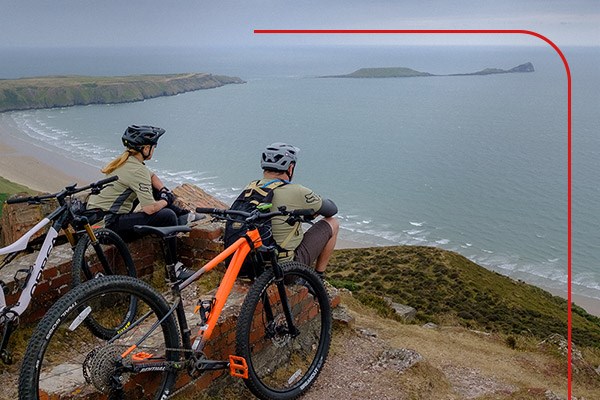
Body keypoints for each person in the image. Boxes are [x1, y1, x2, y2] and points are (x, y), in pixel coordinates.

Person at [87, 124, 200, 280]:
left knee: (158, 193)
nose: (154, 149)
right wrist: (165, 201)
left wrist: (163, 191)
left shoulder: (126, 161)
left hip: (98, 221)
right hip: (107, 228)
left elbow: (152, 177)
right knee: (167, 216)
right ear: (145, 148)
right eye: (153, 146)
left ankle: (184, 216)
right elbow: (149, 209)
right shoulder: (136, 170)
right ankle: (174, 271)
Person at [254, 142, 339, 277]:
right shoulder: (297, 191)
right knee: (333, 223)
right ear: (290, 167)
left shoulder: (251, 188)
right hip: (285, 270)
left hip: (253, 265)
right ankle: (319, 276)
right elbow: (331, 210)